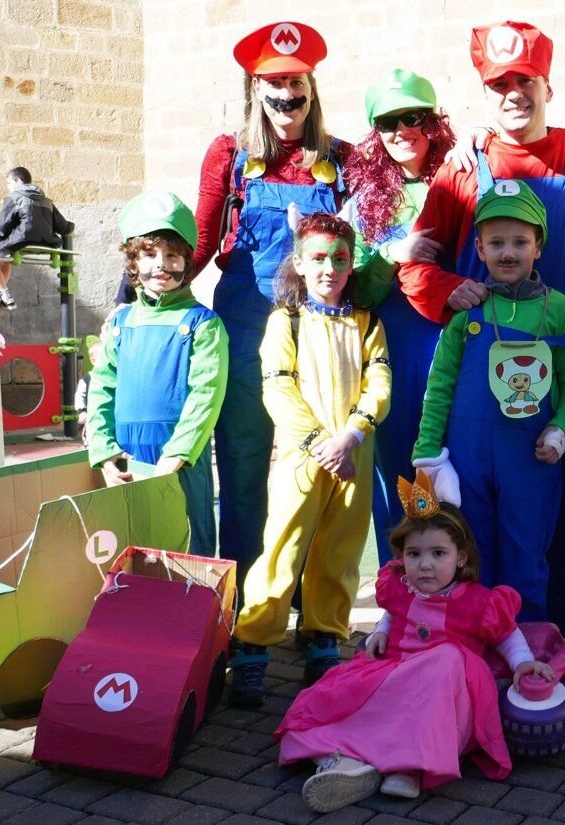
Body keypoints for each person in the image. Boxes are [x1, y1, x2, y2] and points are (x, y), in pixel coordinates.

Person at [400, 20, 565, 629]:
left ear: (548, 85)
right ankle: (476, 643)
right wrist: (450, 289)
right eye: (499, 84)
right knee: (475, 539)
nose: (514, 94)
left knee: (550, 527)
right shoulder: (462, 169)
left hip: (556, 390)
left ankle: (547, 643)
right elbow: (415, 264)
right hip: (477, 385)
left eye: (526, 81)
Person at [276, 471, 552, 812]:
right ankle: (350, 764)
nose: (425, 565)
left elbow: (507, 636)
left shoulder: (479, 602)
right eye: (414, 554)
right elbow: (394, 613)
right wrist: (381, 630)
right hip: (396, 678)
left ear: (461, 556)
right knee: (313, 714)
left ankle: (407, 766)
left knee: (448, 656)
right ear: (402, 556)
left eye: (438, 553)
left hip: (444, 700)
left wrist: (523, 662)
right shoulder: (400, 587)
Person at [193, 21, 347, 592]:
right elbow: (202, 241)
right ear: (255, 89)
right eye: (274, 83)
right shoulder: (228, 155)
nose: (286, 94)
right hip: (244, 327)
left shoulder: (342, 158)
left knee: (316, 462)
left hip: (320, 331)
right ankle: (241, 601)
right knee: (242, 460)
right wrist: (135, 300)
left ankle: (313, 605)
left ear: (311, 87)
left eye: (296, 81)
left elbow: (384, 220)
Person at [228, 212, 391, 708]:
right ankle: (253, 642)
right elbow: (277, 386)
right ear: (298, 262)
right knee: (283, 545)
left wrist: (351, 435)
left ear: (352, 264)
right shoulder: (287, 321)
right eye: (318, 258)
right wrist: (321, 441)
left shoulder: (367, 323)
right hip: (303, 456)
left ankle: (324, 636)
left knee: (340, 548)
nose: (329, 269)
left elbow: (379, 384)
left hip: (353, 453)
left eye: (340, 259)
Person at [412, 184, 565, 621]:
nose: (508, 252)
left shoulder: (560, 309)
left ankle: (526, 647)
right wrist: (427, 452)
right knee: (469, 556)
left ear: (538, 247)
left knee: (526, 559)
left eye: (519, 242)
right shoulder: (468, 308)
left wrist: (562, 430)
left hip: (530, 460)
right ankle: (471, 642)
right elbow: (440, 383)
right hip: (467, 461)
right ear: (480, 248)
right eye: (496, 243)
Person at [339, 69, 454, 562]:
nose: (402, 130)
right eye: (388, 122)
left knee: (453, 466)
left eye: (413, 117)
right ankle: (400, 585)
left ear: (433, 122)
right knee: (400, 469)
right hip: (395, 353)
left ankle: (458, 586)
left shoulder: (464, 179)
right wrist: (392, 252)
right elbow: (360, 291)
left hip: (454, 344)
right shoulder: (365, 203)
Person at [86, 191, 228, 556]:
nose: (160, 265)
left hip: (179, 462)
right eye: (149, 255)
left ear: (186, 262)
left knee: (188, 552)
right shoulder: (121, 323)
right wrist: (104, 452)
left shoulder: (203, 324)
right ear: (134, 262)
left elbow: (205, 397)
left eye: (172, 255)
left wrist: (176, 456)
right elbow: (102, 387)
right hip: (125, 457)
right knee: (130, 550)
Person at [0, 167, 74, 310]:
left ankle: (4, 294)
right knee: (4, 259)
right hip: (48, 242)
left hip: (22, 240)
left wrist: (0, 237)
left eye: (9, 183)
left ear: (19, 181)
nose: (8, 187)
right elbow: (62, 226)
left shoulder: (14, 197)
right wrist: (71, 228)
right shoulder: (46, 200)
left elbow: (3, 226)